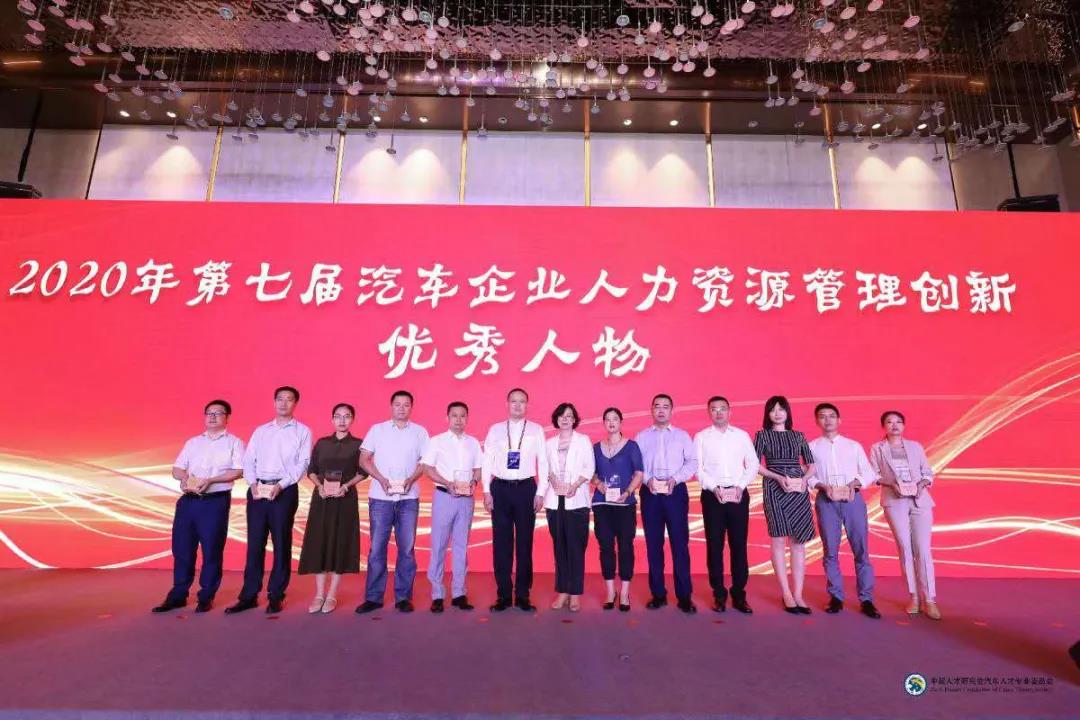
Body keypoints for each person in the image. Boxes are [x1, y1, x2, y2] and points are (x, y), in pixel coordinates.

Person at [152, 400, 244, 614]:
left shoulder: (234, 443)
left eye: (218, 413)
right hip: (188, 502)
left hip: (214, 501)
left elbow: (239, 471)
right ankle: (178, 595)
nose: (212, 417)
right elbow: (177, 469)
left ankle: (206, 596)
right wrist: (184, 479)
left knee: (212, 550)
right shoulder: (193, 442)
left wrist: (210, 480)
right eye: (208, 413)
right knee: (182, 549)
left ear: (227, 417)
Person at [227, 386, 312, 615]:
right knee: (255, 544)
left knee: (281, 543)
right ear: (274, 402)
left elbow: (303, 463)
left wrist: (280, 485)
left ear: (295, 404)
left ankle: (276, 595)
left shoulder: (302, 431)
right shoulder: (261, 431)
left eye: (289, 399)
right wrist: (253, 484)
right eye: (279, 399)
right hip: (258, 490)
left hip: (284, 491)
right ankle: (249, 596)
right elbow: (249, 460)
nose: (283, 403)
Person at [355, 390, 429, 614]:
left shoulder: (420, 432)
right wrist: (381, 479)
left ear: (411, 407)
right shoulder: (377, 430)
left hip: (409, 498)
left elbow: (425, 463)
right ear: (391, 406)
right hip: (381, 498)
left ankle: (403, 597)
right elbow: (363, 459)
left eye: (406, 405)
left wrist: (410, 480)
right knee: (377, 548)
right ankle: (373, 597)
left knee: (406, 549)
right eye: (398, 404)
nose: (402, 408)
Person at [807, 403, 881, 619]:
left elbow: (868, 472)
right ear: (817, 421)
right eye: (822, 416)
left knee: (861, 549)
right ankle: (836, 596)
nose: (827, 420)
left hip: (852, 499)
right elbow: (808, 476)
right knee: (830, 550)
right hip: (826, 500)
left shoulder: (853, 446)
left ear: (839, 420)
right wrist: (823, 486)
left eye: (832, 416)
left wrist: (853, 484)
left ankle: (866, 599)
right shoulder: (811, 447)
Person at [481, 387, 549, 612]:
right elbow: (487, 461)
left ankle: (522, 595)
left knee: (524, 543)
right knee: (501, 543)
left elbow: (543, 462)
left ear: (527, 405)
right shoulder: (496, 429)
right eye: (513, 401)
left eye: (522, 401)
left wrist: (540, 492)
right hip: (500, 488)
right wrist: (486, 491)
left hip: (525, 489)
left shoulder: (536, 430)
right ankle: (503, 595)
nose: (517, 405)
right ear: (507, 404)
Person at [869, 410, 940, 620]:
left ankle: (930, 599)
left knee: (923, 550)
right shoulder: (877, 448)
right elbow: (873, 475)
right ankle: (914, 597)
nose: (894, 425)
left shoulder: (915, 446)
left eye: (898, 422)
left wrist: (921, 485)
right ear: (883, 426)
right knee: (905, 549)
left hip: (920, 501)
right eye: (889, 422)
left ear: (904, 425)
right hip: (894, 501)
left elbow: (928, 472)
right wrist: (891, 484)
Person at [693, 396, 759, 615]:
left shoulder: (741, 436)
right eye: (714, 409)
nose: (719, 412)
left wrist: (740, 486)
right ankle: (719, 594)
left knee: (738, 545)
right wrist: (714, 488)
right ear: (709, 412)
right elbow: (697, 468)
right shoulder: (701, 437)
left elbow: (753, 464)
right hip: (713, 496)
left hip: (738, 495)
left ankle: (739, 594)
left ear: (730, 412)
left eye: (723, 408)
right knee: (715, 546)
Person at [297, 403, 365, 614]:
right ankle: (319, 594)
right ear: (332, 419)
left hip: (345, 499)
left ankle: (332, 594)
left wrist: (346, 486)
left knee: (340, 543)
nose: (342, 420)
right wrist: (319, 486)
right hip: (322, 499)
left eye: (347, 416)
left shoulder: (359, 445)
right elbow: (312, 470)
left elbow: (363, 472)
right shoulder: (322, 443)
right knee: (320, 542)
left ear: (352, 419)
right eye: (338, 416)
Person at [635, 393, 698, 613]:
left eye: (665, 406)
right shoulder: (642, 437)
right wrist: (647, 480)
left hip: (675, 492)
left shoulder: (682, 436)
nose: (661, 410)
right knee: (654, 545)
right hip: (651, 492)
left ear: (672, 411)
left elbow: (692, 462)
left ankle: (684, 596)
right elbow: (636, 466)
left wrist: (676, 479)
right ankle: (658, 594)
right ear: (651, 410)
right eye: (657, 406)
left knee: (680, 545)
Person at [754, 395, 816, 615]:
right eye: (773, 410)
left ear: (788, 412)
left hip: (798, 489)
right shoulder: (762, 435)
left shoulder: (798, 436)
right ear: (767, 414)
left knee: (799, 541)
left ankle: (798, 594)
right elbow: (754, 465)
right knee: (779, 538)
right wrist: (777, 477)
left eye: (781, 409)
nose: (777, 413)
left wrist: (804, 480)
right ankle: (786, 593)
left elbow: (811, 465)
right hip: (774, 487)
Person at [420, 401, 482, 613]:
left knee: (461, 546)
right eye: (454, 415)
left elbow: (478, 469)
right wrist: (447, 483)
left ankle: (459, 593)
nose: (458, 419)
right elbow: (427, 469)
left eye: (462, 416)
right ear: (447, 418)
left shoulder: (473, 443)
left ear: (467, 418)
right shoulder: (436, 441)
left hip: (466, 499)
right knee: (438, 545)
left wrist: (474, 482)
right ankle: (437, 594)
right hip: (444, 497)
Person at [543, 402, 596, 612]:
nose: (565, 419)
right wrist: (554, 481)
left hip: (577, 500)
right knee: (559, 547)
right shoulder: (549, 443)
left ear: (575, 420)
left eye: (569, 416)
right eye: (561, 416)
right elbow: (546, 468)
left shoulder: (583, 440)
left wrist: (574, 486)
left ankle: (574, 594)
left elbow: (589, 468)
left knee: (576, 547)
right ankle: (562, 591)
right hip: (554, 500)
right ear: (556, 419)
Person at [591, 407, 643, 612]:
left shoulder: (631, 446)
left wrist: (628, 491)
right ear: (603, 423)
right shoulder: (596, 448)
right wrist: (598, 484)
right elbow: (591, 472)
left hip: (624, 504)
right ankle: (610, 591)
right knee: (605, 547)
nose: (611, 422)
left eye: (615, 419)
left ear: (621, 422)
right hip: (602, 504)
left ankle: (624, 592)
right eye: (607, 419)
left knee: (625, 547)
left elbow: (639, 473)